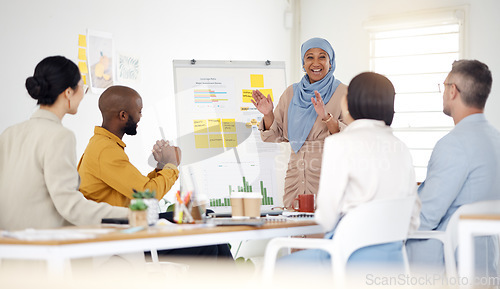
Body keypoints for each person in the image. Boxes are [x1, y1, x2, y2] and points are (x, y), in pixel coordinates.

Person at [278, 72, 421, 272]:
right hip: (393, 260)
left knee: (276, 266)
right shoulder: (401, 148)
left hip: (345, 260)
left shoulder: (340, 144)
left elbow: (327, 218)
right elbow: (413, 219)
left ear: (347, 103)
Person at [77, 85, 232, 260]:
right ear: (123, 115)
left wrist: (161, 165)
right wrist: (172, 165)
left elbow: (136, 188)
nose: (140, 117)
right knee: (207, 245)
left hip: (129, 222)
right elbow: (147, 195)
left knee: (203, 216)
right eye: (139, 112)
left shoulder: (104, 144)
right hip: (122, 234)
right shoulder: (105, 150)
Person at [0, 56, 128, 231]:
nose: (83, 93)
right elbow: (70, 206)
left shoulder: (9, 133)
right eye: (82, 87)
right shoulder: (60, 136)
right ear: (68, 92)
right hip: (46, 246)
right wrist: (130, 215)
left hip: (9, 247)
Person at [406, 60, 500, 277]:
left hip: (446, 264)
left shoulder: (453, 144)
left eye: (444, 85)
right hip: (487, 262)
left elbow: (424, 218)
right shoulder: (496, 139)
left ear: (453, 91)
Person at [252, 37, 347, 208]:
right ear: (303, 63)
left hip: (327, 173)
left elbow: (350, 137)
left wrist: (326, 117)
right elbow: (274, 135)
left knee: (322, 226)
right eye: (310, 57)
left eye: (322, 57)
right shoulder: (291, 93)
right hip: (295, 174)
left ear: (331, 62)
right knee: (292, 224)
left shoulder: (344, 93)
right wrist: (267, 114)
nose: (315, 63)